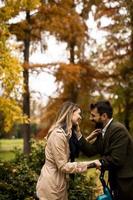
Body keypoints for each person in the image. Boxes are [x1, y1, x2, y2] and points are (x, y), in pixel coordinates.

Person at [36, 101, 98, 200]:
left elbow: (72, 149)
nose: (80, 117)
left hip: (58, 185)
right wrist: (92, 164)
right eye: (79, 113)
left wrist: (86, 137)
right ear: (70, 113)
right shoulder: (58, 135)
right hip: (52, 186)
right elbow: (63, 166)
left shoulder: (66, 133)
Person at [76, 100, 133, 200]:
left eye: (93, 116)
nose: (90, 118)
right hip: (116, 181)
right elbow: (91, 151)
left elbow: (116, 159)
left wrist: (97, 163)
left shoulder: (118, 129)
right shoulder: (103, 131)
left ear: (104, 116)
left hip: (126, 183)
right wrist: (79, 134)